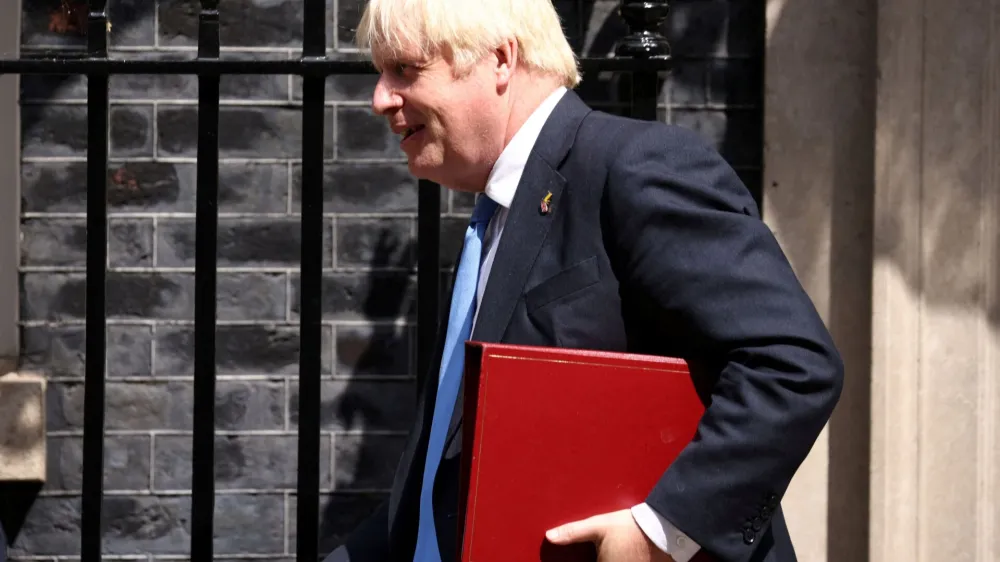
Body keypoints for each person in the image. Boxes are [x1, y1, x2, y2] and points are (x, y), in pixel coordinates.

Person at [325, 0, 844, 560]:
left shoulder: (635, 165)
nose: (380, 98)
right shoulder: (494, 221)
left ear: (500, 60)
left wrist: (661, 531)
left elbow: (791, 362)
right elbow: (443, 484)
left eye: (404, 69)